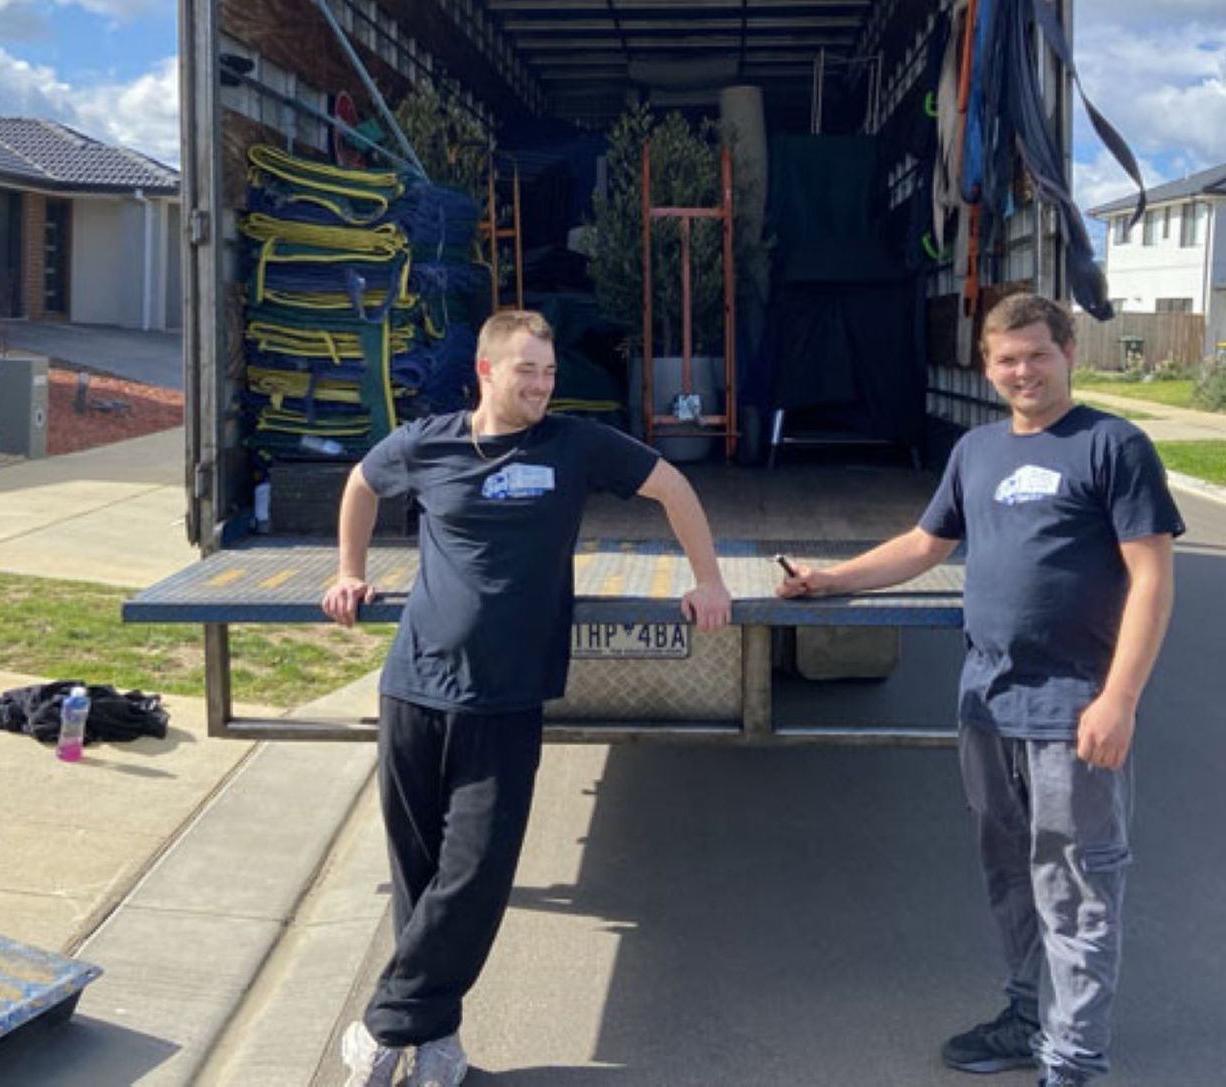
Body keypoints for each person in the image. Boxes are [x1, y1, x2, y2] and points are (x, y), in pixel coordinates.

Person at [776, 293, 1182, 1087]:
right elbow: (924, 545)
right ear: (987, 366)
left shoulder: (1115, 446)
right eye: (1007, 358)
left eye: (1037, 353)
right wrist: (830, 580)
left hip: (1075, 706)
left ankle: (1072, 1061)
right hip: (987, 705)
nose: (1022, 370)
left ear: (1068, 351)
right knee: (1012, 876)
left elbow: (1154, 579)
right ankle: (1029, 1012)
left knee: (1077, 885)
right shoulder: (977, 450)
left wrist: (1120, 697)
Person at [324, 309, 733, 1087]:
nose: (542, 384)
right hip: (414, 687)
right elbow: (361, 482)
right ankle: (435, 1040)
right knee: (417, 873)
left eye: (548, 372)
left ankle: (382, 1026)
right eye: (527, 371)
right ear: (486, 371)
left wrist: (707, 577)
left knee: (474, 874)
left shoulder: (573, 446)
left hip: (505, 699)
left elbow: (673, 484)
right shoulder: (430, 441)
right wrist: (349, 568)